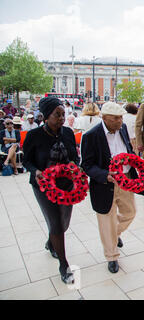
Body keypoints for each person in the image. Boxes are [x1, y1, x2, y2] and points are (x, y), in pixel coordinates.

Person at [22, 96, 79, 284]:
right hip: (43, 186)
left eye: (63, 114)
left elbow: (75, 157)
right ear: (46, 116)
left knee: (64, 223)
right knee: (55, 223)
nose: (62, 118)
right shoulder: (34, 136)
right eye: (57, 114)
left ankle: (50, 242)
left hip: (66, 184)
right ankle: (64, 265)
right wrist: (36, 171)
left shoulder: (68, 133)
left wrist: (73, 165)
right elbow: (26, 161)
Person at [81, 102, 138, 274]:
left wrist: (136, 162)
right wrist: (104, 175)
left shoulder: (123, 129)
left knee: (130, 212)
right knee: (106, 220)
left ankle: (114, 234)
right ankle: (112, 256)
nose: (120, 121)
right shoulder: (91, 136)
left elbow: (129, 149)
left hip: (126, 180)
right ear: (104, 118)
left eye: (121, 117)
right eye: (115, 118)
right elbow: (87, 165)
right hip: (105, 184)